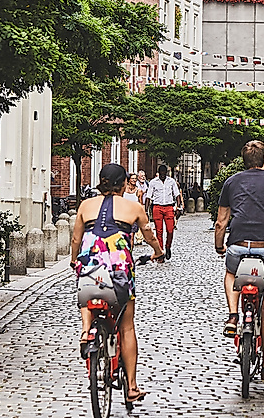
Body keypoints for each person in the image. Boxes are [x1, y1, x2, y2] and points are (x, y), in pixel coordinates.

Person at [70, 164, 164, 404]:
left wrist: (74, 260)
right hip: (119, 272)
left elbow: (75, 238)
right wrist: (158, 252)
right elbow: (149, 234)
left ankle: (85, 330)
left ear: (100, 182)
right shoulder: (134, 207)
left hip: (90, 268)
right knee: (127, 327)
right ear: (124, 184)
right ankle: (132, 386)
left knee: (86, 287)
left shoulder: (85, 206)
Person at [214, 140, 264, 382]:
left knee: (230, 273)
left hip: (238, 245)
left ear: (244, 162)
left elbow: (221, 222)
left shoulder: (231, 182)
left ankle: (232, 315)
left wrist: (220, 246)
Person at [145, 165, 182, 260]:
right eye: (160, 173)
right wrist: (146, 210)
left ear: (166, 173)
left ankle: (168, 246)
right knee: (159, 231)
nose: (162, 175)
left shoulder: (171, 181)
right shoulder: (153, 182)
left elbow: (177, 194)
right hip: (157, 207)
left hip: (169, 207)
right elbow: (148, 196)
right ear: (158, 173)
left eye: (164, 173)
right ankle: (160, 252)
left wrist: (179, 207)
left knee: (170, 230)